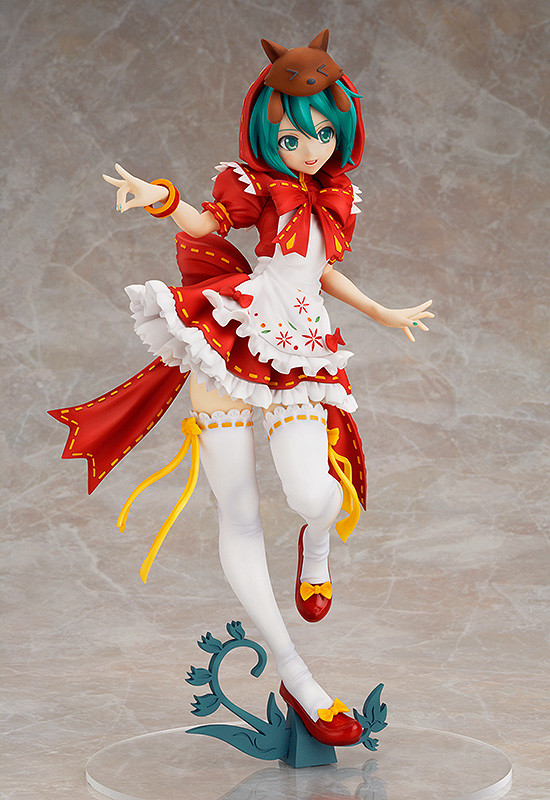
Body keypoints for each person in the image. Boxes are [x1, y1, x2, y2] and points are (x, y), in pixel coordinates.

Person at [64, 30, 434, 747]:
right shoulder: (256, 187)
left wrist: (379, 310)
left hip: (299, 350)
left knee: (313, 495)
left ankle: (316, 547)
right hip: (232, 335)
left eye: (323, 133)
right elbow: (209, 223)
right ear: (266, 134)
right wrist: (163, 198)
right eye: (293, 137)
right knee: (237, 514)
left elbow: (316, 270)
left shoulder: (334, 197)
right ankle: (297, 675)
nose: (310, 148)